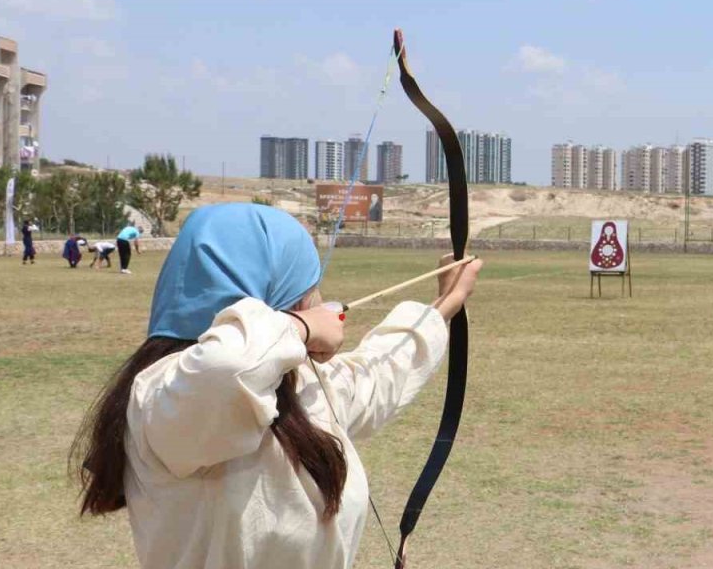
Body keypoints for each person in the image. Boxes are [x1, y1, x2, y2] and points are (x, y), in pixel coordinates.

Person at [71, 203, 482, 569]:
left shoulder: (293, 385)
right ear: (271, 298)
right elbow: (228, 363)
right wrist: (302, 326)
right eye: (307, 286)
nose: (318, 297)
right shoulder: (164, 396)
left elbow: (375, 374)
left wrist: (443, 306)